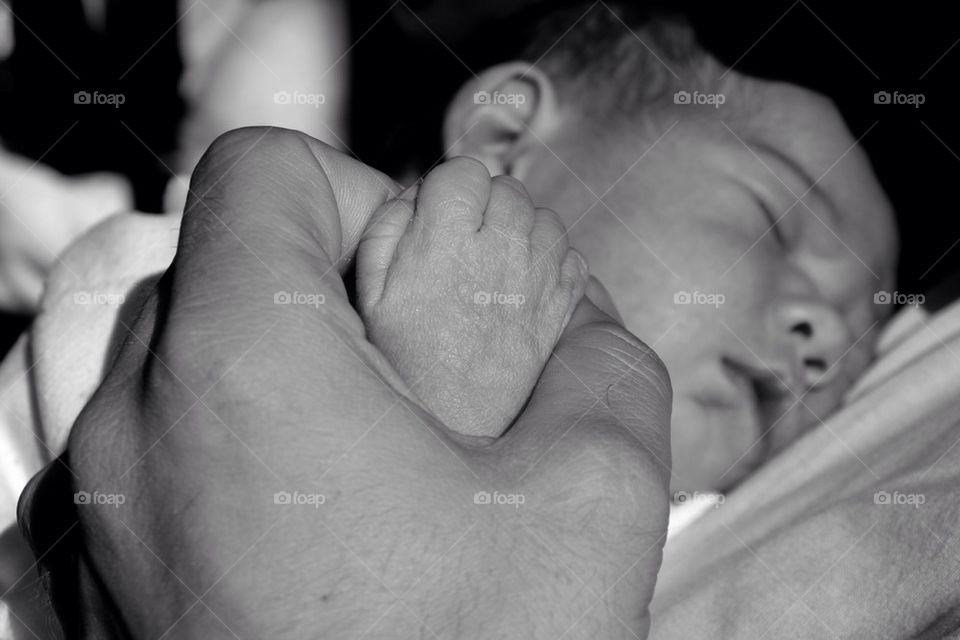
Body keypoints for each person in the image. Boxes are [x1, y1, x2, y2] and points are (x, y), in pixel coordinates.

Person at [18, 127, 673, 639]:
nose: (780, 352)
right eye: (766, 206)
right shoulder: (195, 275)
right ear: (502, 140)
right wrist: (435, 395)